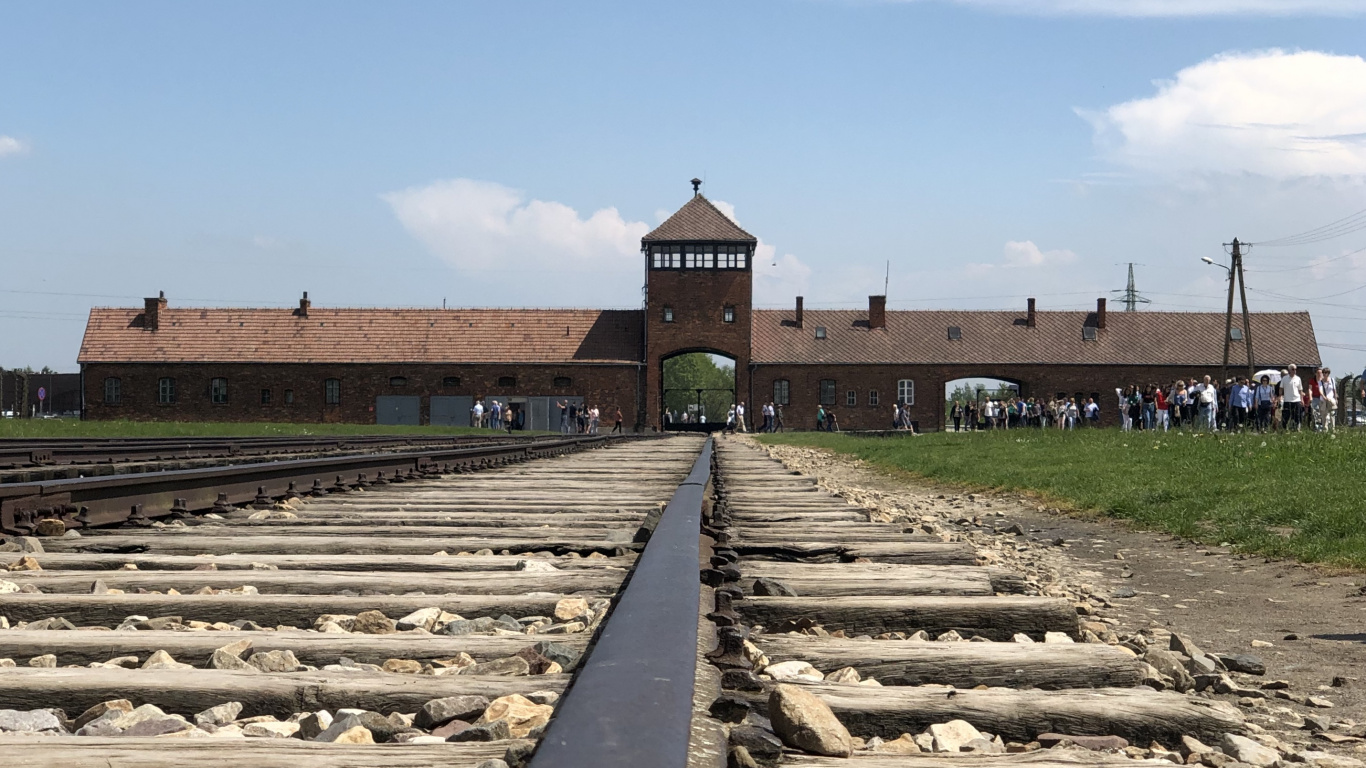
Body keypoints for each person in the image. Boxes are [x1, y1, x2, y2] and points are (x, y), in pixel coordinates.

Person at [1280, 365, 1304, 431]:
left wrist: (1302, 399)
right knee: (1286, 416)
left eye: (1295, 369)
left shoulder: (1298, 378)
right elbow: (1281, 388)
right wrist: (1280, 396)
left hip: (1296, 400)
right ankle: (1284, 429)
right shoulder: (1284, 378)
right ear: (1289, 370)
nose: (1294, 371)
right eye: (1293, 369)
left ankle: (1297, 429)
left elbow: (1300, 390)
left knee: (1297, 415)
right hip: (1287, 400)